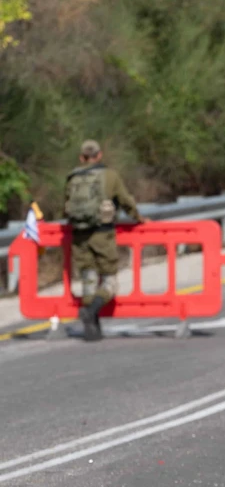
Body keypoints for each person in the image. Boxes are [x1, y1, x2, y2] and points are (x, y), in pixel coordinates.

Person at [64, 140, 148, 342]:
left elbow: (65, 207)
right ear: (99, 155)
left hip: (79, 236)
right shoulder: (110, 176)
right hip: (102, 235)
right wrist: (140, 218)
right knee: (110, 282)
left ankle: (92, 329)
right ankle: (91, 311)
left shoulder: (72, 178)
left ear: (81, 157)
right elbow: (126, 201)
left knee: (88, 281)